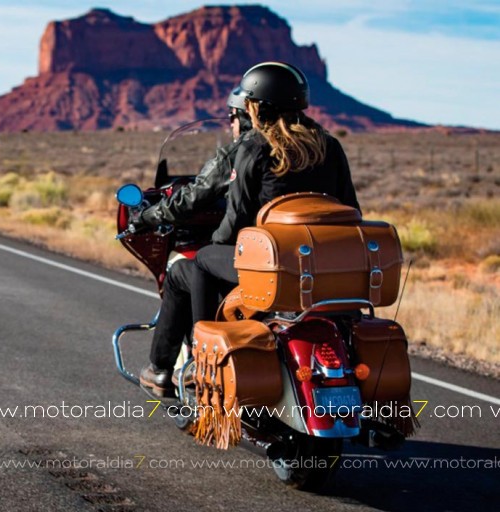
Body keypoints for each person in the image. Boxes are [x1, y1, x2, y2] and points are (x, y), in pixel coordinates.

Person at [138, 61, 360, 398]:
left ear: (256, 106)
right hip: (320, 264)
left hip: (269, 265)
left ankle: (201, 358)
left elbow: (236, 222)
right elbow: (351, 210)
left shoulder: (255, 148)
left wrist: (215, 245)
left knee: (201, 260)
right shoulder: (330, 146)